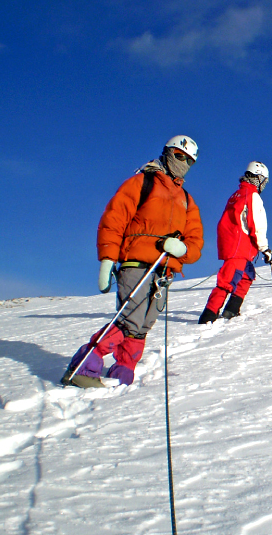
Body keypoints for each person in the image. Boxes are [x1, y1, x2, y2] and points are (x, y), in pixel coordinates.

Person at [61, 136, 204, 388]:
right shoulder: (142, 182)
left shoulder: (187, 200)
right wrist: (107, 258)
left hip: (164, 270)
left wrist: (182, 249)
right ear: (168, 153)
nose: (184, 163)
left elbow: (196, 241)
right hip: (136, 262)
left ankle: (123, 372)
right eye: (180, 156)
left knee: (143, 324)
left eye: (189, 161)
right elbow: (114, 219)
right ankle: (84, 366)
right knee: (130, 317)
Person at [198, 162, 272, 324]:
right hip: (240, 246)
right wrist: (264, 248)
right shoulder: (252, 196)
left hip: (233, 244)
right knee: (228, 280)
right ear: (258, 179)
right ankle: (208, 317)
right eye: (264, 181)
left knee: (247, 275)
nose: (264, 185)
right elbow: (256, 223)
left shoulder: (237, 194)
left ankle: (232, 309)